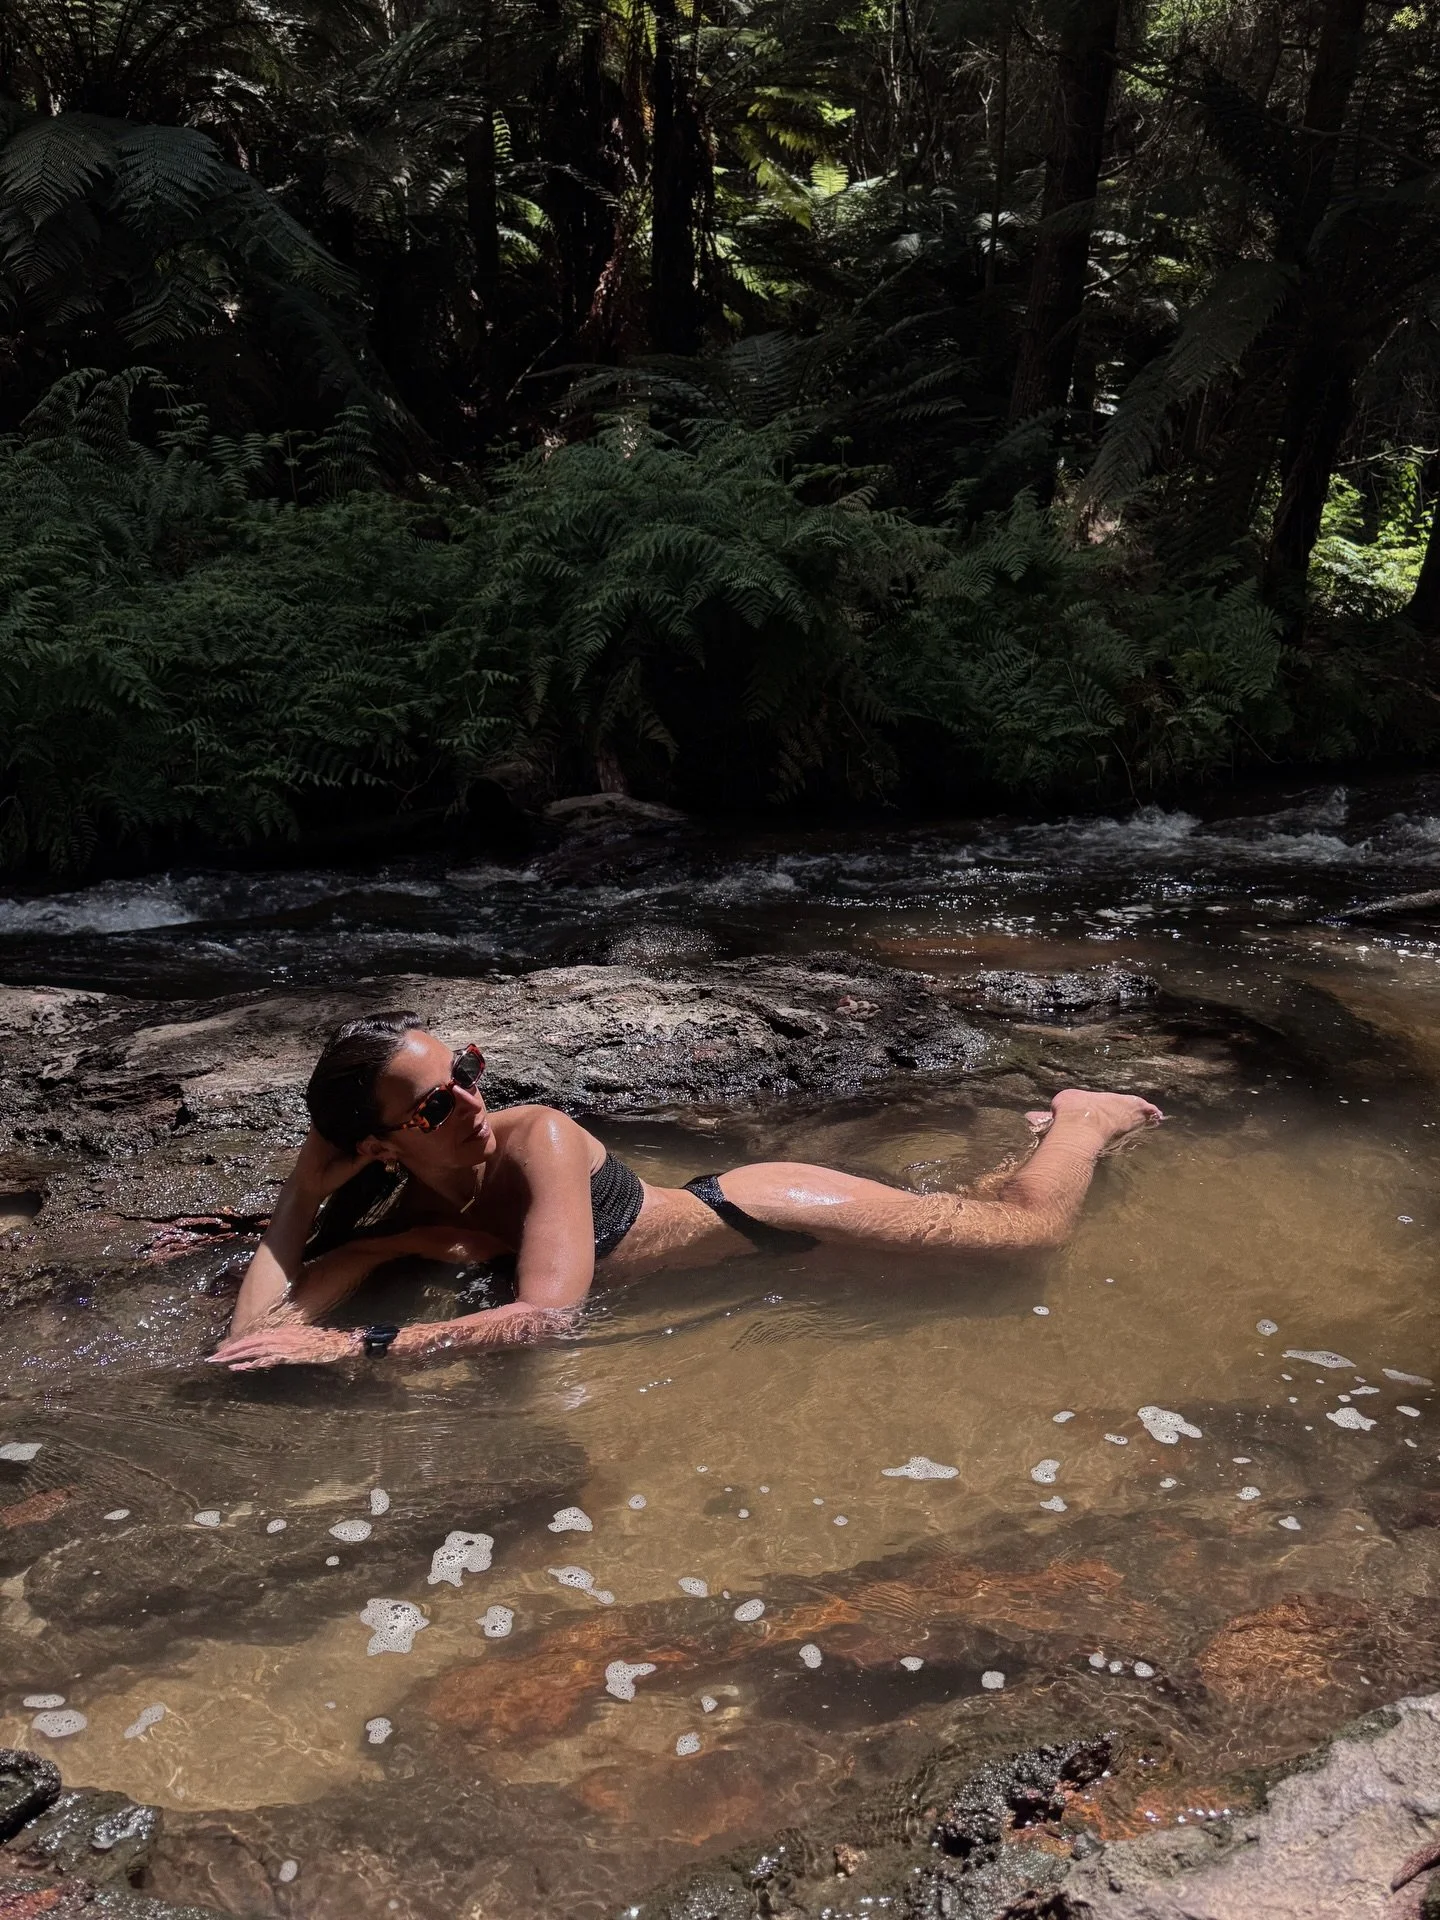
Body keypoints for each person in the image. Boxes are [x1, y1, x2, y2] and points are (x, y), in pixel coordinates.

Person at [210, 1012, 1163, 1372]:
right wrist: (300, 1193)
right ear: (377, 1144)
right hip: (778, 1274)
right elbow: (248, 1341)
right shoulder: (402, 1210)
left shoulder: (534, 1135)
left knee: (1027, 1240)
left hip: (763, 1212)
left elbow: (547, 1318)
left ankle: (1084, 1117)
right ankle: (1026, 1150)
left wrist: (359, 1346)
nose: (471, 1100)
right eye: (432, 1106)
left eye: (464, 1068)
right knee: (976, 1292)